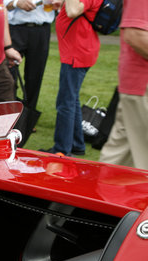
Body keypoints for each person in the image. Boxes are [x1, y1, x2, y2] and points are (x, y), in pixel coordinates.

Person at [41, 0, 102, 156]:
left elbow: (73, 11)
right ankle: (76, 144)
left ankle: (62, 149)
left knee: (65, 102)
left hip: (77, 52)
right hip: (78, 49)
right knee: (72, 99)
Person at [99, 0, 148, 169]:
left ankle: (101, 194)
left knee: (119, 157)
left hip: (139, 86)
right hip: (143, 84)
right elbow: (135, 35)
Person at [6, 0, 55, 114]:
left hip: (41, 29)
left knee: (35, 77)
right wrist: (16, 3)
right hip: (15, 28)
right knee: (8, 75)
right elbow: (0, 4)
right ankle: (8, 114)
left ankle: (28, 117)